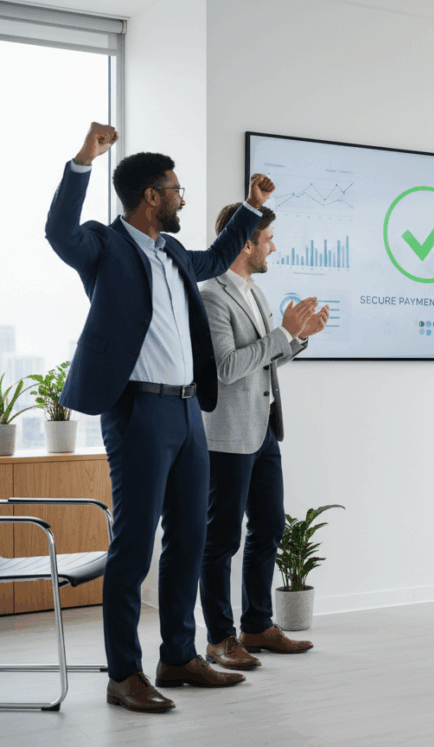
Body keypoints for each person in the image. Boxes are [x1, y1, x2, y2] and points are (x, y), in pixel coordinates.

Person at [44, 122, 275, 713]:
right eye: (174, 190)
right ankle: (125, 673)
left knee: (190, 537)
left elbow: (219, 255)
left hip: (187, 412)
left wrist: (252, 208)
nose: (180, 198)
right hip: (138, 410)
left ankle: (178, 656)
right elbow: (58, 233)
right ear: (151, 196)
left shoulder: (172, 251)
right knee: (135, 546)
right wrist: (83, 160)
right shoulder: (103, 245)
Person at [199, 203, 330, 671]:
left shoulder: (255, 291)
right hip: (228, 437)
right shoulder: (211, 295)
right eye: (268, 238)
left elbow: (265, 361)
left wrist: (297, 338)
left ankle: (256, 625)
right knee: (221, 540)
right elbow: (227, 368)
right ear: (245, 243)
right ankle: (219, 637)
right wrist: (281, 334)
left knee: (269, 526)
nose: (273, 245)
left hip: (263, 431)